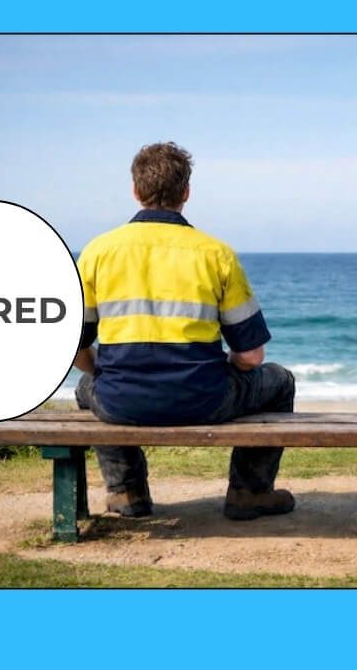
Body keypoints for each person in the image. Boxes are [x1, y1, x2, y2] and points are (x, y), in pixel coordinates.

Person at [73, 142, 297, 521]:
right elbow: (252, 357)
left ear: (135, 190)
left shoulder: (97, 252)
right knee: (279, 381)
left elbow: (73, 346)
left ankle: (127, 490)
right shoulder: (215, 254)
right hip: (204, 399)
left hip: (120, 400)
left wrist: (104, 373)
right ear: (186, 193)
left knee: (85, 390)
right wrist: (229, 365)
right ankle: (249, 490)